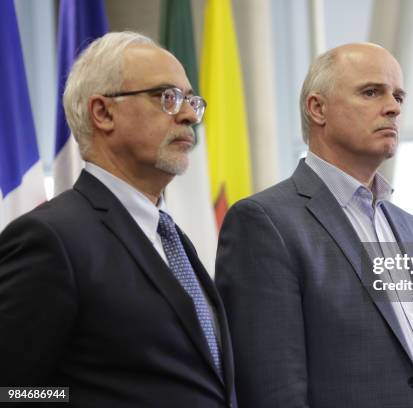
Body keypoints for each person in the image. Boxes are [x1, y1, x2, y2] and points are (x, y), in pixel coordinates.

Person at [0, 32, 237, 408]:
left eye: (191, 100)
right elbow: (11, 392)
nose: (190, 115)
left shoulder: (172, 237)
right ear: (103, 112)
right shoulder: (51, 238)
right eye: (167, 98)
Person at [215, 43, 413, 407]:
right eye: (371, 92)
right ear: (318, 108)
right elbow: (272, 390)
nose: (393, 107)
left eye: (398, 96)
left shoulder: (412, 229)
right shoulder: (265, 222)